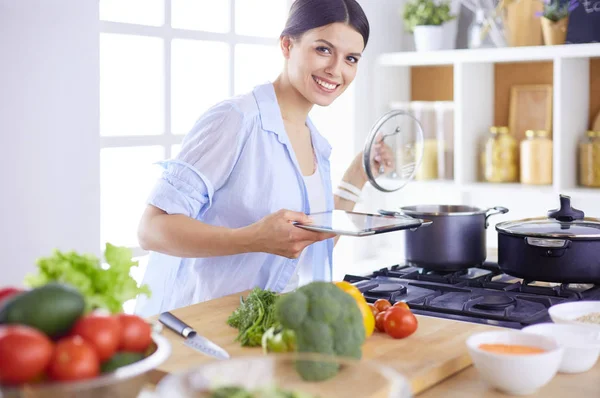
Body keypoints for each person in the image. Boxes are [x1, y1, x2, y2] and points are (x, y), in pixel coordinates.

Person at [134, 0, 391, 317]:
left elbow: (304, 245)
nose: (337, 70)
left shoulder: (315, 142)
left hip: (265, 331)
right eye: (323, 49)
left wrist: (358, 174)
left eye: (351, 59)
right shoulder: (236, 120)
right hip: (200, 328)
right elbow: (151, 229)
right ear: (287, 44)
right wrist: (251, 238)